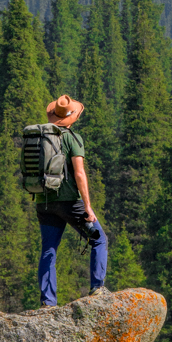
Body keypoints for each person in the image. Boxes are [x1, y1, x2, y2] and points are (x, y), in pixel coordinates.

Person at [35, 94, 108, 306]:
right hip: (70, 202)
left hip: (44, 201)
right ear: (72, 117)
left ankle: (48, 302)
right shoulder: (72, 138)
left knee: (49, 250)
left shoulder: (41, 137)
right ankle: (97, 288)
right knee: (98, 238)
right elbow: (79, 174)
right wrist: (87, 207)